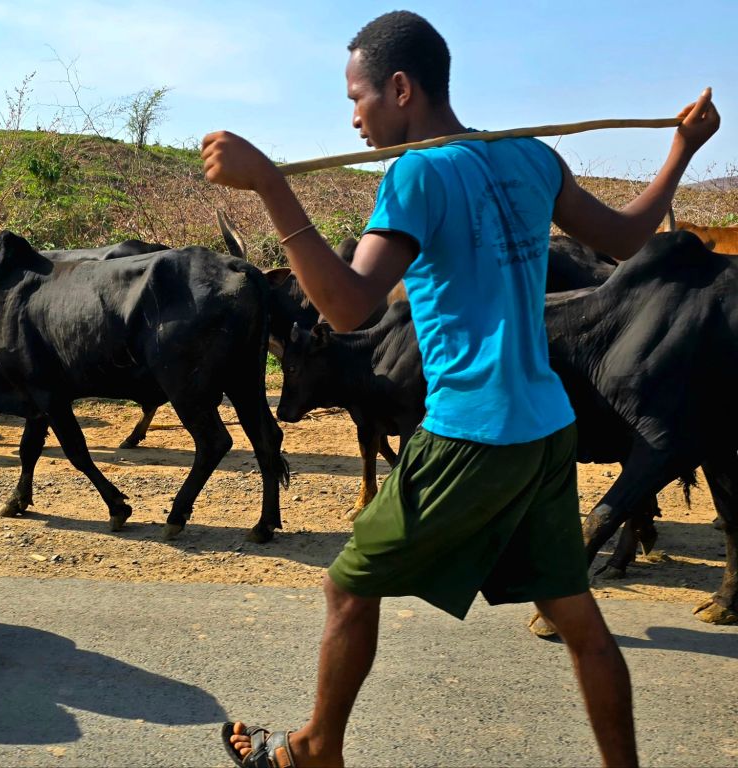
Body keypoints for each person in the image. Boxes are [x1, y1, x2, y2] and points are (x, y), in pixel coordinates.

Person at [201, 10, 719, 768]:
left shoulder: (418, 173)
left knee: (347, 590)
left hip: (470, 434)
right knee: (580, 624)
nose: (354, 118)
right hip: (545, 429)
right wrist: (681, 149)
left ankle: (314, 750)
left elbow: (348, 308)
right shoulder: (530, 159)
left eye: (359, 98)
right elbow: (628, 240)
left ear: (401, 88)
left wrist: (273, 188)